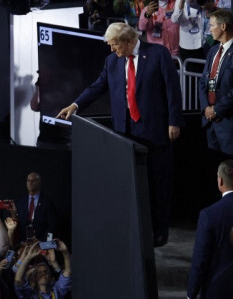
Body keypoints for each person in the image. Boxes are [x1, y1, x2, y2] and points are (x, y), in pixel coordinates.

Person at [57, 22, 183, 247]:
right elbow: (97, 86)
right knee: (130, 183)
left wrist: (174, 121)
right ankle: (135, 228)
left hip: (154, 130)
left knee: (158, 183)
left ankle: (160, 231)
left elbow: (172, 89)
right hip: (125, 132)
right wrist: (75, 105)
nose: (112, 49)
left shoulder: (157, 54)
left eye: (114, 44)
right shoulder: (112, 61)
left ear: (128, 40)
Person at [185, 160, 233, 299]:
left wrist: (191, 294)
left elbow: (201, 258)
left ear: (220, 181)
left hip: (220, 292)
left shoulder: (210, 215)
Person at [199, 9, 233, 157]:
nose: (209, 29)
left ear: (223, 26)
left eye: (212, 25)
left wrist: (217, 110)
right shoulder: (212, 51)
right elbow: (203, 82)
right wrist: (206, 108)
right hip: (209, 123)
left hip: (228, 123)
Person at [15, 172, 57, 243]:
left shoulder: (47, 202)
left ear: (39, 183)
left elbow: (52, 226)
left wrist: (45, 242)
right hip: (24, 244)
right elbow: (17, 224)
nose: (30, 183)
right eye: (28, 180)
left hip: (41, 242)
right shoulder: (20, 202)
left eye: (33, 181)